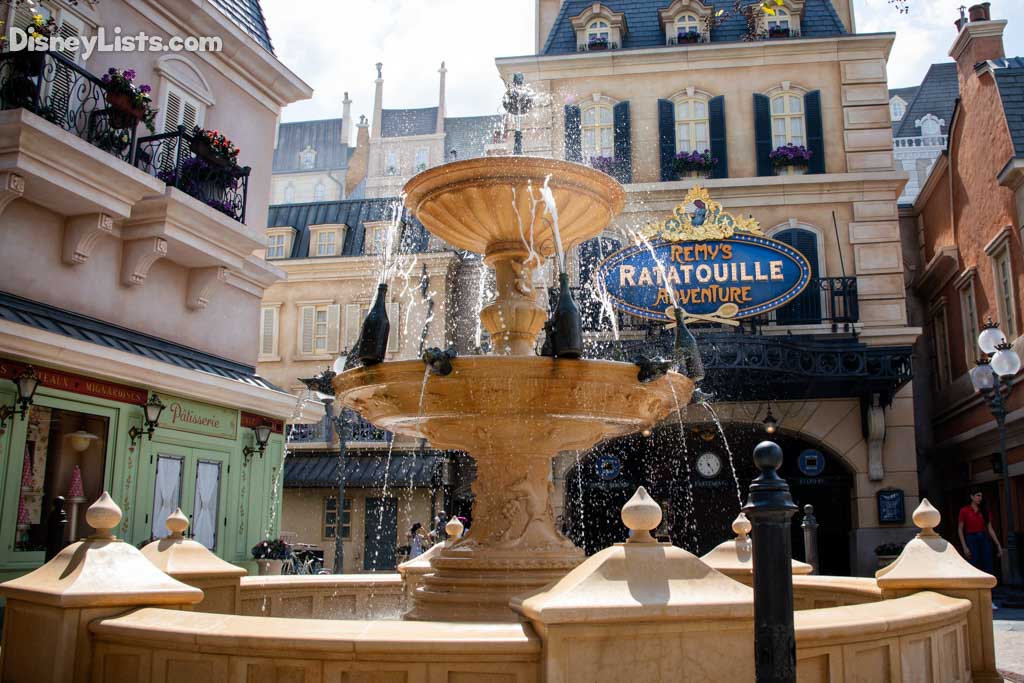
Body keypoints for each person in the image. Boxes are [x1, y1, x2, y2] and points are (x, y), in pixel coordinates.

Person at [958, 489, 1003, 575]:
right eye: (978, 495)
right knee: (974, 563)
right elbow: (960, 530)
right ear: (972, 497)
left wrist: (998, 545)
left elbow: (990, 529)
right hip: (971, 538)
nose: (980, 498)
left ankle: (989, 587)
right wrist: (964, 547)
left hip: (984, 538)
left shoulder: (984, 511)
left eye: (981, 496)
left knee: (988, 563)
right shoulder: (964, 510)